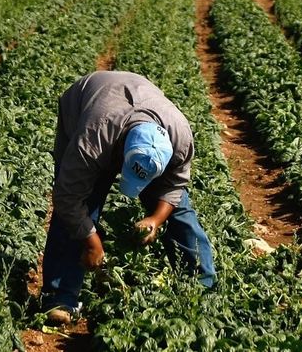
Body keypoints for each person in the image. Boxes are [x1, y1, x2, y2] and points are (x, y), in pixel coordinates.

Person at [41, 70, 216, 325]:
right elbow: (68, 197)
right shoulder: (93, 139)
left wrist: (155, 219)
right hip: (83, 104)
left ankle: (202, 291)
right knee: (82, 204)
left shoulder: (179, 137)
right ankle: (60, 297)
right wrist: (91, 242)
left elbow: (175, 185)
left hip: (134, 103)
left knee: (180, 213)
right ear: (122, 152)